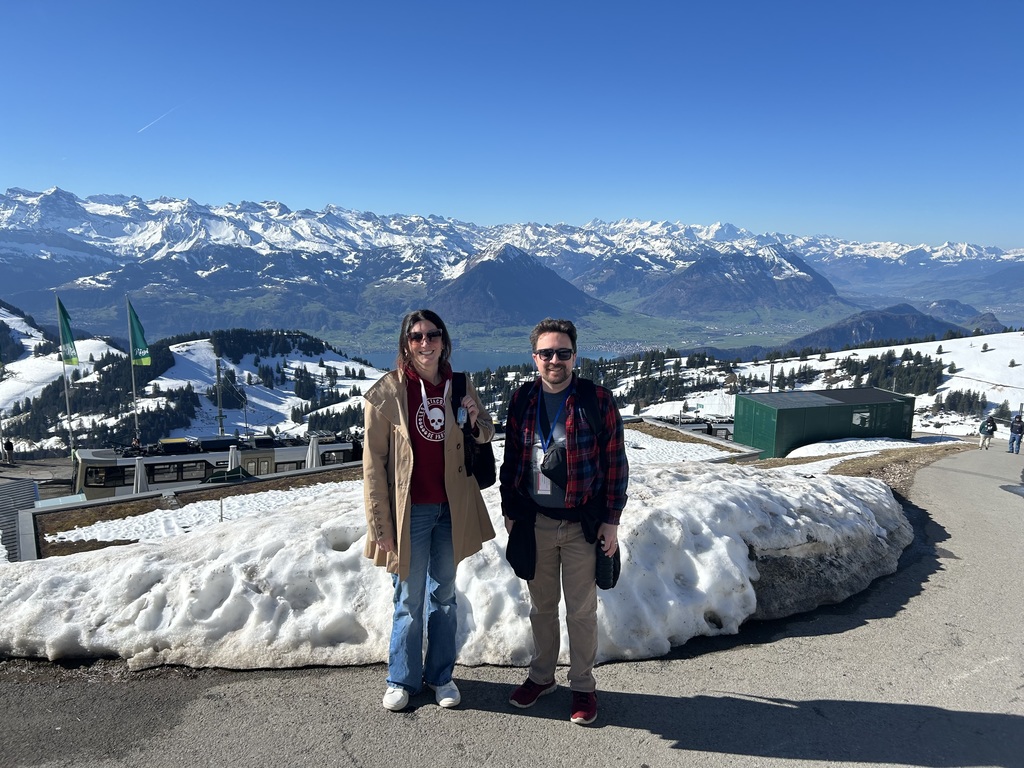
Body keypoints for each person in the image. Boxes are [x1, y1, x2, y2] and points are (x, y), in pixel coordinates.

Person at [362, 309, 495, 712]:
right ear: (406, 343)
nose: (425, 343)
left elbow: (487, 432)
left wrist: (475, 419)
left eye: (432, 335)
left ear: (443, 340)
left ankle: (441, 676)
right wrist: (380, 525)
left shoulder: (460, 383)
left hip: (451, 509)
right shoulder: (387, 393)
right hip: (410, 513)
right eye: (417, 336)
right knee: (407, 598)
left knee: (445, 597)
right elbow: (373, 468)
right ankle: (401, 678)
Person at [499, 318, 628, 726]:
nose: (555, 360)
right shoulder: (522, 400)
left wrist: (611, 521)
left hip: (580, 525)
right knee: (541, 607)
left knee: (581, 611)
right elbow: (512, 463)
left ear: (575, 355)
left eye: (563, 353)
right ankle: (542, 677)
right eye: (547, 353)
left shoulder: (596, 400)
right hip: (535, 521)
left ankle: (583, 686)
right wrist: (509, 509)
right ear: (534, 357)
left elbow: (615, 465)